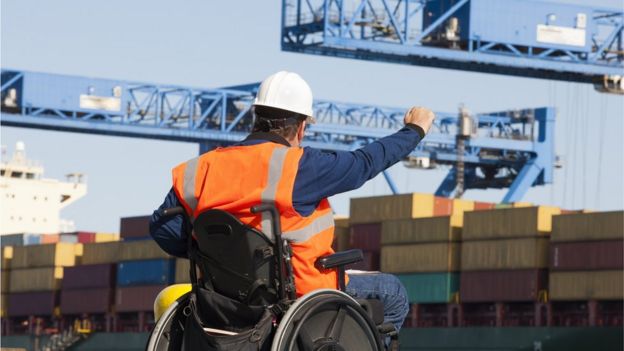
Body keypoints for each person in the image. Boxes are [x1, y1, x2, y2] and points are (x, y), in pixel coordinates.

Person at [150, 71, 435, 333]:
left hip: (223, 297)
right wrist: (415, 130)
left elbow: (164, 229)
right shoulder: (300, 166)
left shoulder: (199, 170)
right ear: (300, 127)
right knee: (392, 292)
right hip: (301, 294)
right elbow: (365, 163)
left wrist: (222, 257)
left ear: (255, 117)